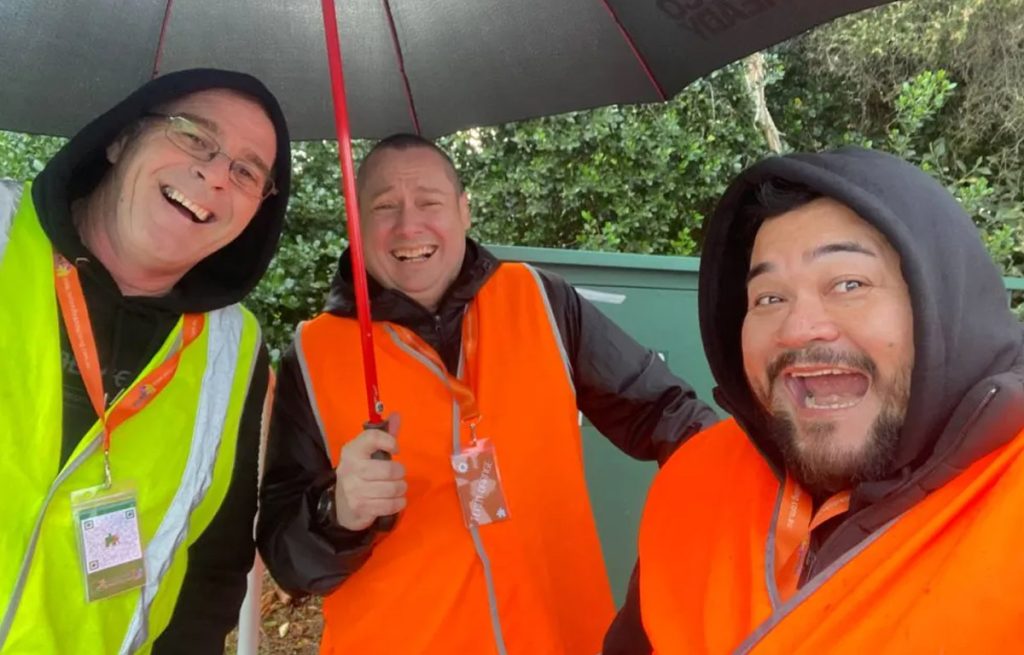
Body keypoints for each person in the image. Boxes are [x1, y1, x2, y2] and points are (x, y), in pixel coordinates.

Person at [257, 133, 718, 655]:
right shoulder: (312, 354)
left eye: (428, 202)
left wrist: (744, 498)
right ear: (356, 226)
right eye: (384, 206)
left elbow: (668, 415)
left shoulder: (541, 301)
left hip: (561, 640)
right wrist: (337, 513)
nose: (409, 226)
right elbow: (287, 557)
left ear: (464, 211)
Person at [604, 147, 1024, 653]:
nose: (798, 329)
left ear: (944, 307)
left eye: (849, 284)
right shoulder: (696, 482)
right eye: (769, 298)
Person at [0, 68, 292, 653]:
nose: (212, 175)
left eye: (245, 171)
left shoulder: (233, 347)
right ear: (119, 137)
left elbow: (213, 561)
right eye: (192, 136)